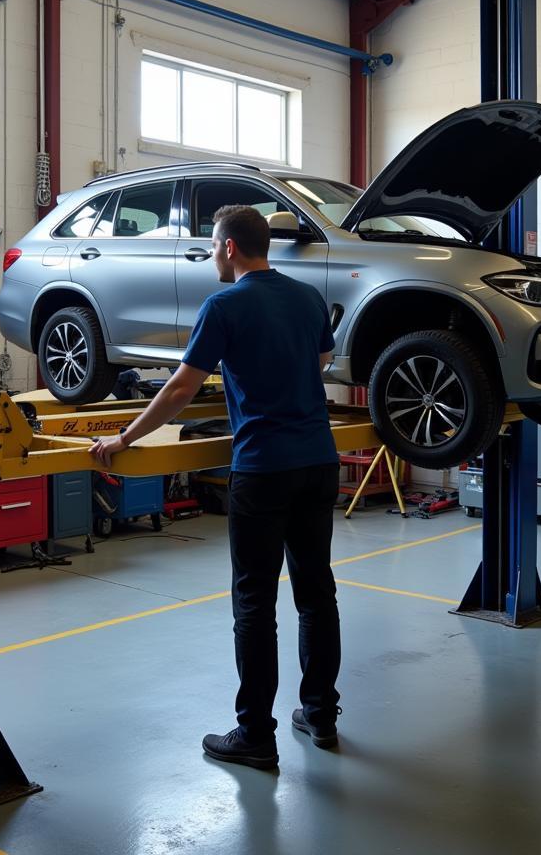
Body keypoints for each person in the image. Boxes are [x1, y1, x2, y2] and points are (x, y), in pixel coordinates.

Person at [90, 204, 341, 769]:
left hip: (263, 469)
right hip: (318, 464)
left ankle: (255, 734)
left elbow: (180, 389)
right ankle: (321, 714)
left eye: (211, 249)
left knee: (254, 600)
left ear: (229, 248)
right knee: (316, 593)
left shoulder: (223, 304)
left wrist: (125, 437)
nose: (210, 259)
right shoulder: (305, 298)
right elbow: (323, 358)